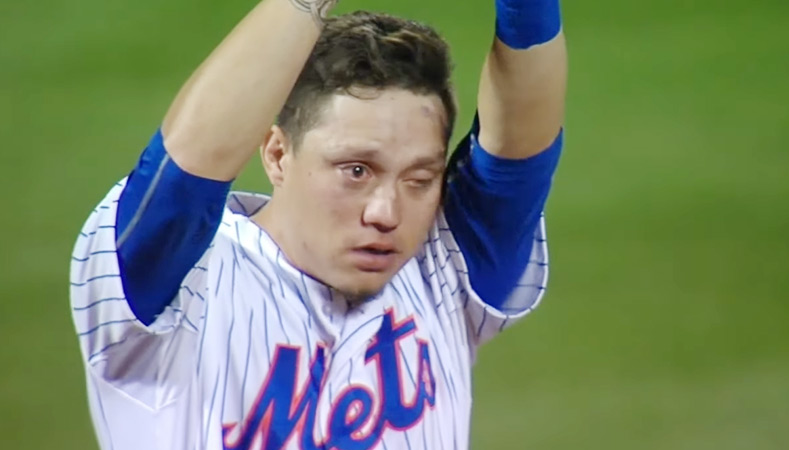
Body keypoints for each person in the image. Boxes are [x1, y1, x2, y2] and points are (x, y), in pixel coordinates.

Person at [69, 0, 567, 448]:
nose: (385, 213)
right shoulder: (173, 286)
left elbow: (523, 144)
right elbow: (183, 169)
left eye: (418, 178)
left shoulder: (445, 265)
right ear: (278, 153)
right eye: (356, 171)